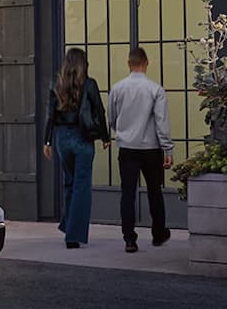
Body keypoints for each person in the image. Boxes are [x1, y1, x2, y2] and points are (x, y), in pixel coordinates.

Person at [43, 48, 111, 249]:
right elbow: (99, 110)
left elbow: (50, 115)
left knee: (69, 183)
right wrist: (105, 137)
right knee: (82, 186)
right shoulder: (89, 84)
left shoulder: (56, 84)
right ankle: (73, 234)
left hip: (62, 137)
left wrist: (47, 141)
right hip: (83, 137)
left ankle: (68, 224)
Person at [108, 47, 174, 253]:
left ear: (129, 64)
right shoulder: (155, 89)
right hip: (150, 148)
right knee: (155, 191)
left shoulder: (117, 88)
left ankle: (129, 238)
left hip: (127, 146)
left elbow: (111, 118)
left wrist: (121, 130)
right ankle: (158, 233)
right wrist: (168, 149)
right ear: (146, 63)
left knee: (127, 193)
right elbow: (161, 122)